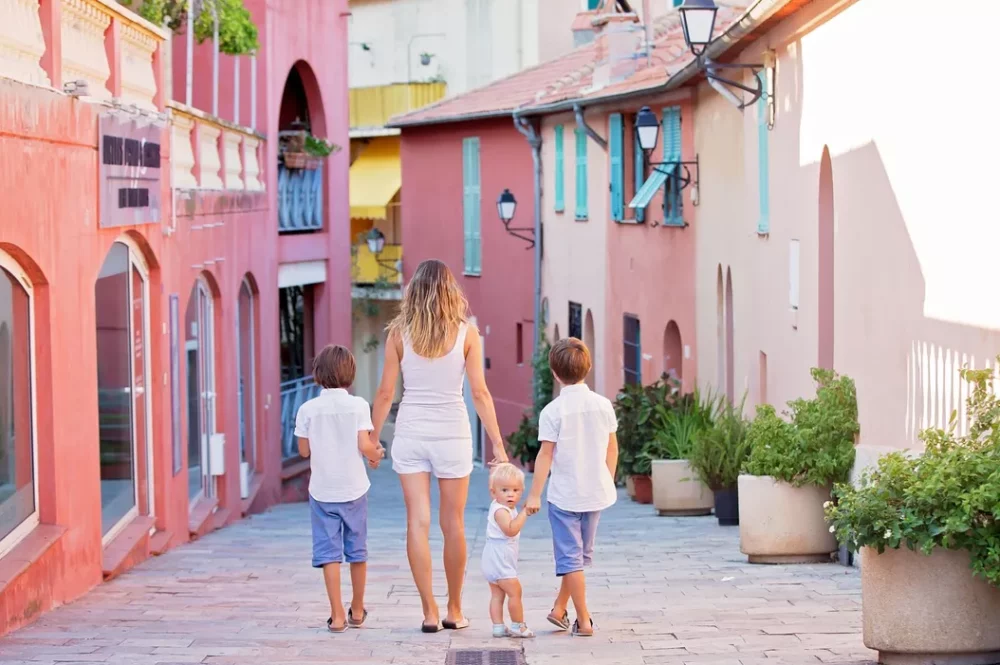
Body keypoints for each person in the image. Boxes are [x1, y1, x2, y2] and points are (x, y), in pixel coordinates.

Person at [371, 259, 508, 633]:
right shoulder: (467, 334)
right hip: (452, 435)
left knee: (417, 522)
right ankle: (454, 610)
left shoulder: (398, 334)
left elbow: (385, 393)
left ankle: (429, 612)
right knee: (453, 523)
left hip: (411, 432)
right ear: (451, 292)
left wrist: (372, 438)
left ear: (414, 291)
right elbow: (479, 393)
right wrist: (498, 444)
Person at [525, 337, 618, 638]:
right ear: (588, 368)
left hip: (564, 496)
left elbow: (545, 455)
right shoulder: (603, 405)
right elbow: (612, 449)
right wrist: (607, 480)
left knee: (571, 559)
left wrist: (534, 494)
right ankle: (559, 609)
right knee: (577, 558)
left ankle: (584, 620)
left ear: (554, 372)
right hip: (595, 494)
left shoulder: (552, 412)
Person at [295, 345, 384, 633]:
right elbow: (365, 445)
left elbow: (303, 451)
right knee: (357, 550)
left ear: (318, 374)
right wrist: (376, 455)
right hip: (354, 488)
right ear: (350, 373)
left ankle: (336, 616)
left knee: (328, 553)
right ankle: (357, 610)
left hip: (322, 490)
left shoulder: (307, 409)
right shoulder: (358, 405)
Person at [481, 463, 534, 639]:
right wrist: (525, 513)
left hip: (493, 557)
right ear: (493, 492)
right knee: (515, 592)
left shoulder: (501, 505)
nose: (510, 494)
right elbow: (510, 530)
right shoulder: (501, 511)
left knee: (497, 594)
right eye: (504, 490)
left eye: (515, 490)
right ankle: (518, 625)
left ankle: (498, 627)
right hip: (500, 558)